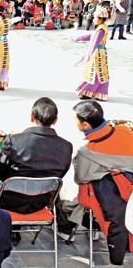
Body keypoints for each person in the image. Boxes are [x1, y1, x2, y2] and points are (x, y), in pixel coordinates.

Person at [0, 97, 73, 213]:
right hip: (42, 201)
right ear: (55, 120)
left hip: (9, 200)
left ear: (32, 116)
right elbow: (60, 175)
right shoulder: (66, 146)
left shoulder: (14, 141)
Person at [71, 100, 133, 265]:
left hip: (111, 196)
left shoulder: (87, 152)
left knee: (79, 198)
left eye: (75, 120)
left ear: (85, 125)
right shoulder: (125, 131)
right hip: (130, 189)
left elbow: (80, 178)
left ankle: (76, 224)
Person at [75, 6, 110, 101]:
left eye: (95, 18)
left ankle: (88, 91)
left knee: (95, 72)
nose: (94, 19)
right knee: (99, 73)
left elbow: (95, 43)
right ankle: (98, 92)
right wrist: (78, 39)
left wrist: (88, 55)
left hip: (98, 53)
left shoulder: (101, 29)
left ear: (100, 19)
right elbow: (91, 36)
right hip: (99, 52)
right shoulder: (100, 28)